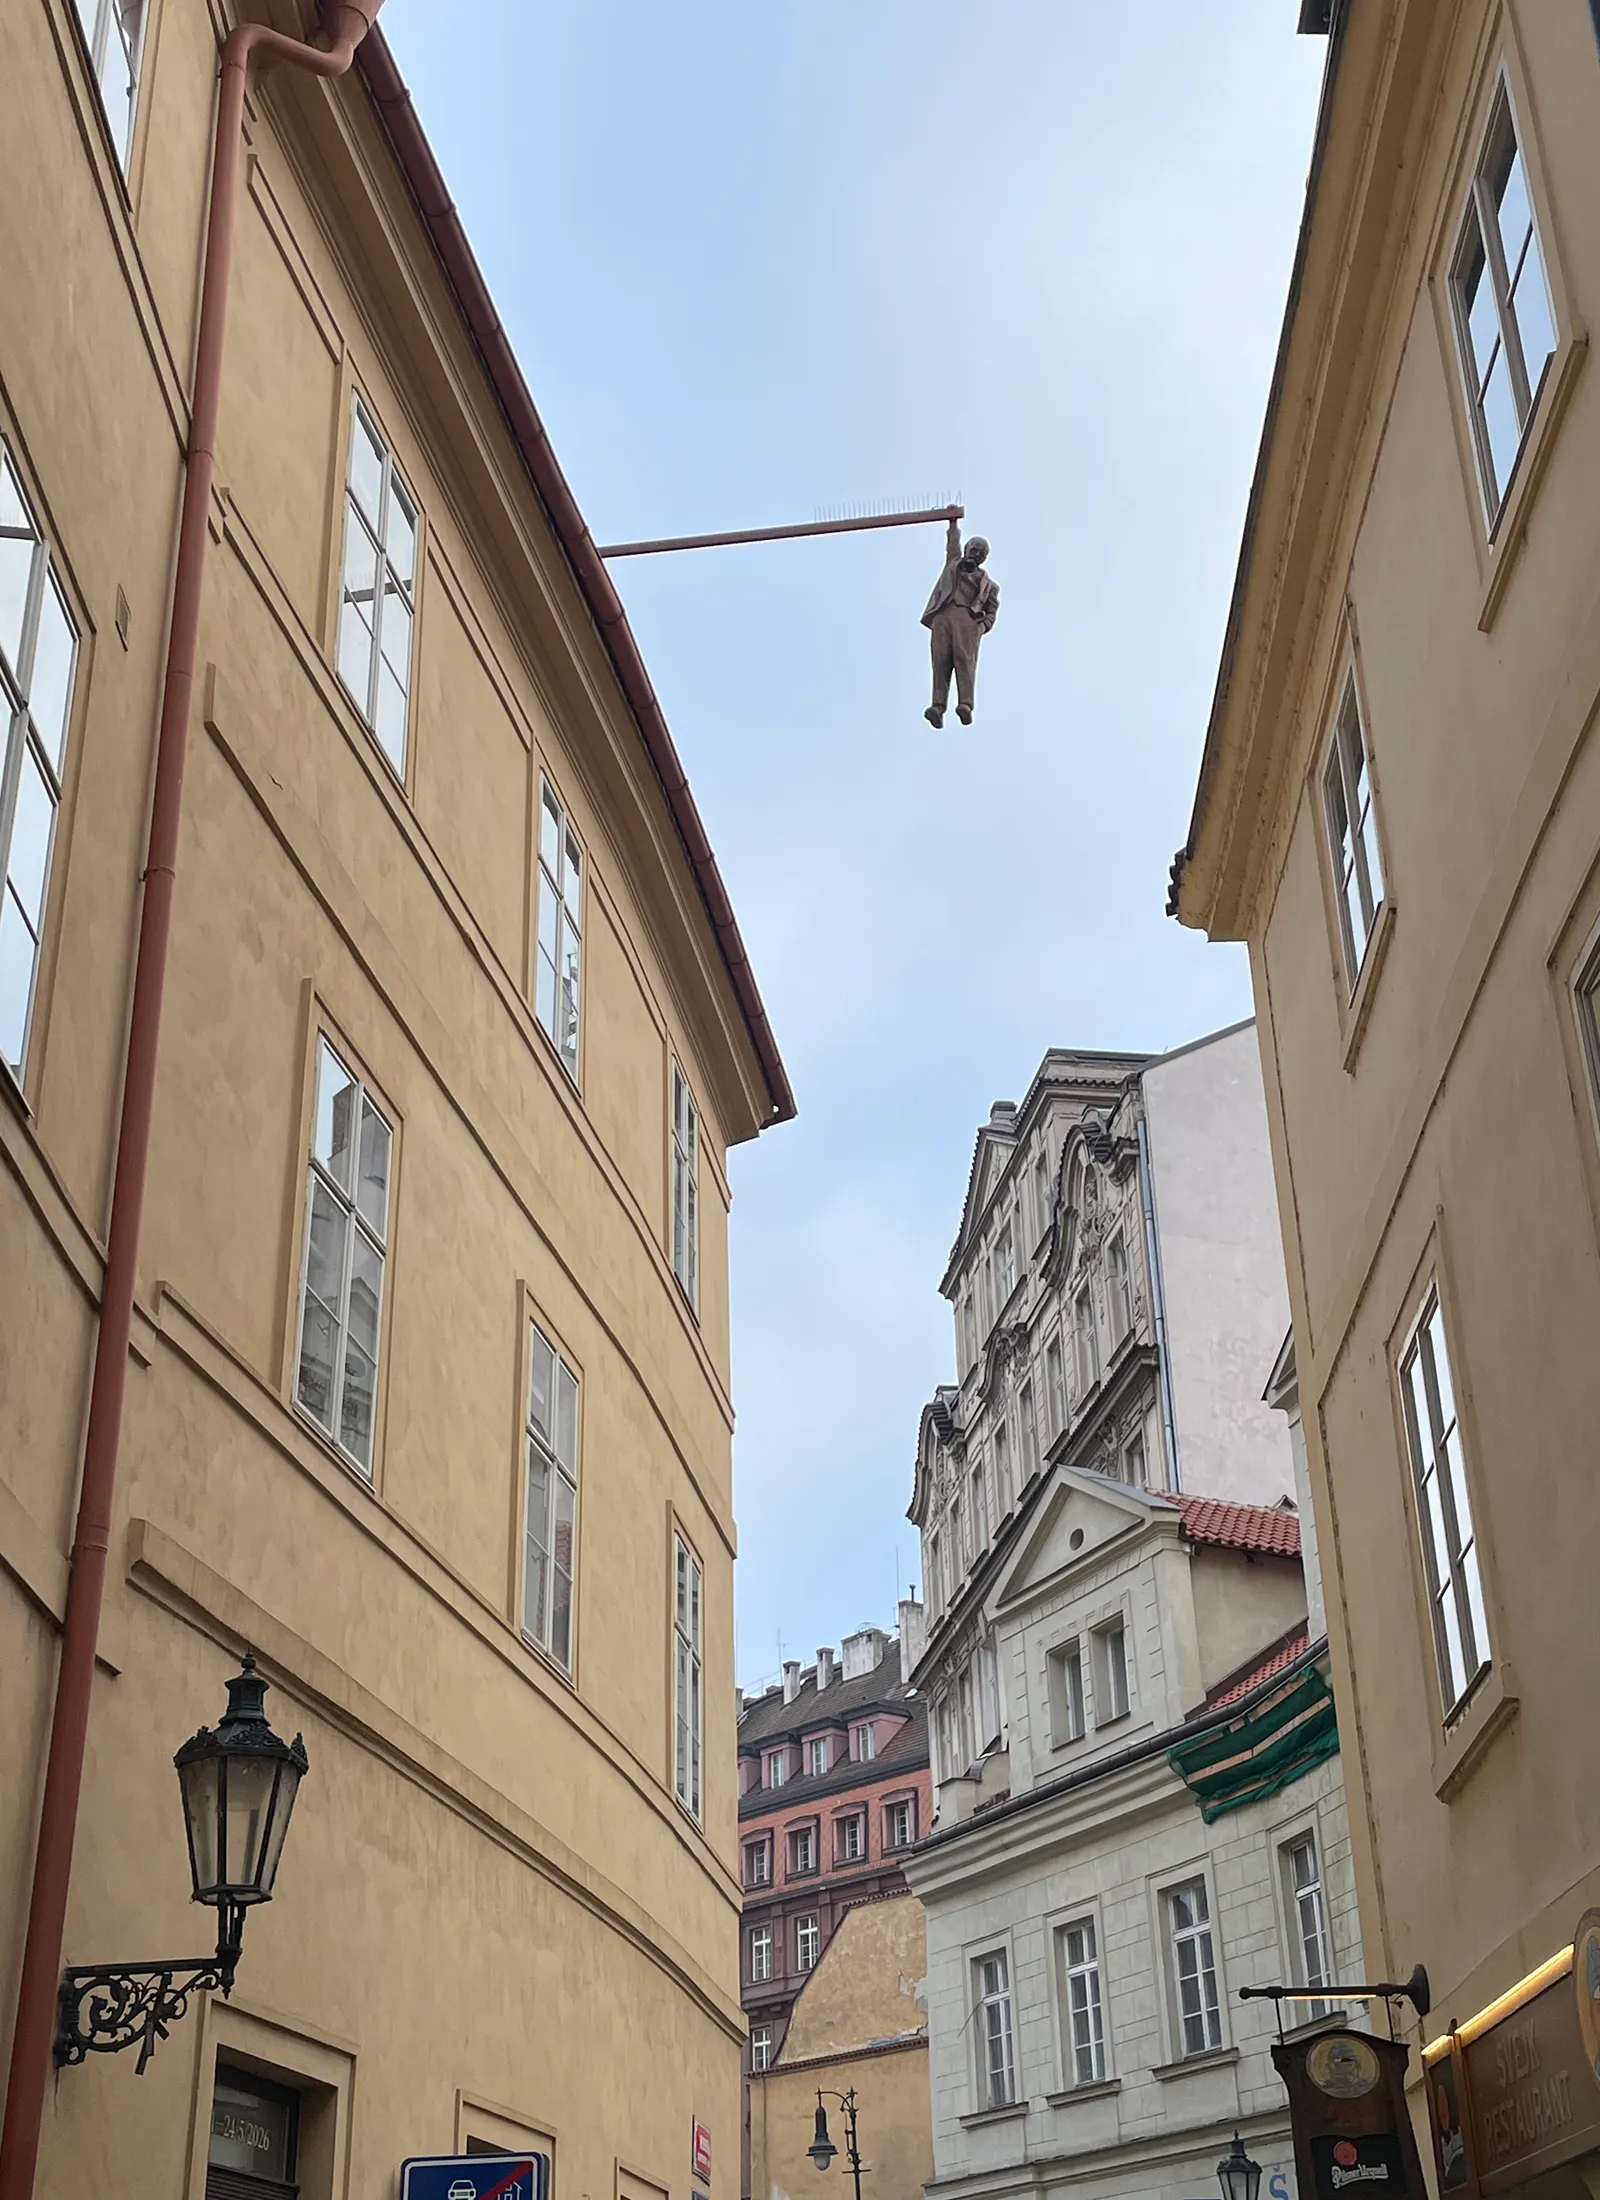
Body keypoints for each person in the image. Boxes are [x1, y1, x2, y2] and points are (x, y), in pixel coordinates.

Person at [922, 517, 998, 727]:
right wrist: (953, 522)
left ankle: (965, 704)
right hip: (943, 616)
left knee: (964, 660)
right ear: (966, 549)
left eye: (981, 554)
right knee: (940, 659)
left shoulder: (989, 586)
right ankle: (938, 707)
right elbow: (952, 543)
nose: (976, 555)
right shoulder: (953, 563)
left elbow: (992, 611)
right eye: (974, 550)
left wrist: (981, 626)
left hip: (968, 620)